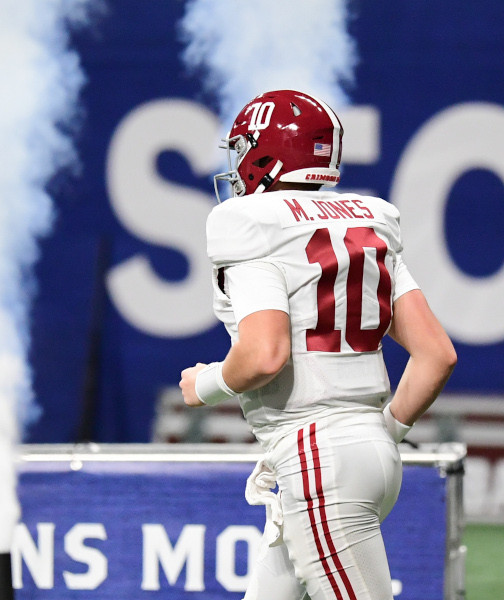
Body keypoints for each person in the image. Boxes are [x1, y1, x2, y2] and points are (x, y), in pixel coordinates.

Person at [178, 89, 456, 600]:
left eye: (244, 149)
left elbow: (264, 354)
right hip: (366, 452)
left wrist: (206, 385)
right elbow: (437, 354)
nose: (237, 165)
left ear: (267, 153)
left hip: (317, 458)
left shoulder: (248, 223)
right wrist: (380, 433)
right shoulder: (368, 221)